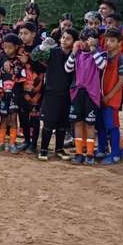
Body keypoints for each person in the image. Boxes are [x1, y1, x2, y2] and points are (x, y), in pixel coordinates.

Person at [32, 28, 78, 161]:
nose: (64, 40)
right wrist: (42, 46)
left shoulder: (76, 55)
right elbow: (34, 56)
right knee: (48, 123)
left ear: (74, 42)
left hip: (68, 94)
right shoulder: (52, 52)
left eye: (68, 38)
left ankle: (59, 149)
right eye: (63, 37)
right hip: (51, 92)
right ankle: (44, 149)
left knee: (63, 124)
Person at [65, 28, 106, 165]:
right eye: (83, 40)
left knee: (90, 125)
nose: (86, 43)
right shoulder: (77, 55)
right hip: (77, 93)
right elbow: (67, 68)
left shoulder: (99, 54)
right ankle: (78, 152)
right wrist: (73, 52)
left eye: (89, 40)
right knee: (77, 123)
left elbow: (102, 66)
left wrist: (94, 49)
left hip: (92, 95)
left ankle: (89, 153)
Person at [97, 28, 123, 165]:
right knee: (101, 125)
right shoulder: (103, 56)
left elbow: (122, 80)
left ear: (119, 43)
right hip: (100, 97)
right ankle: (102, 149)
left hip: (112, 99)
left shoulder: (121, 58)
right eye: (107, 40)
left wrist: (109, 96)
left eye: (112, 41)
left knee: (112, 126)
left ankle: (116, 153)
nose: (108, 43)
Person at [17, 22, 44, 153]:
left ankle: (33, 143)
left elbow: (43, 67)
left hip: (36, 86)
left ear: (33, 34)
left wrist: (28, 61)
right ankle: (26, 140)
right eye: (21, 33)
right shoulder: (19, 48)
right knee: (22, 115)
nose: (22, 36)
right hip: (21, 86)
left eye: (26, 33)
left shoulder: (40, 49)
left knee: (34, 115)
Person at [0, 33, 24, 153]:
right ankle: (1, 142)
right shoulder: (0, 59)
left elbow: (23, 77)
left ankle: (12, 143)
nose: (7, 50)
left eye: (10, 47)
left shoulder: (20, 60)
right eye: (5, 47)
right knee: (3, 118)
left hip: (15, 94)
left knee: (13, 118)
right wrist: (4, 58)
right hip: (3, 94)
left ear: (16, 47)